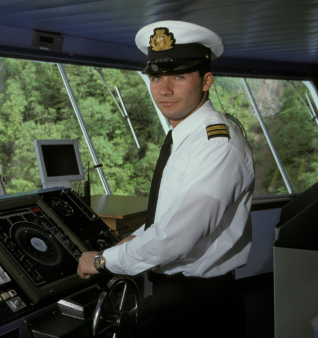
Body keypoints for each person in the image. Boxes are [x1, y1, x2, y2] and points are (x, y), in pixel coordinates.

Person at [77, 20, 255, 337]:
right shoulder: (186, 136)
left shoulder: (216, 145)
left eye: (179, 76)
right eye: (157, 77)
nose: (165, 89)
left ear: (206, 81)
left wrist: (104, 261)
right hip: (174, 294)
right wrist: (133, 240)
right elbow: (172, 213)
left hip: (201, 304)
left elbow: (180, 236)